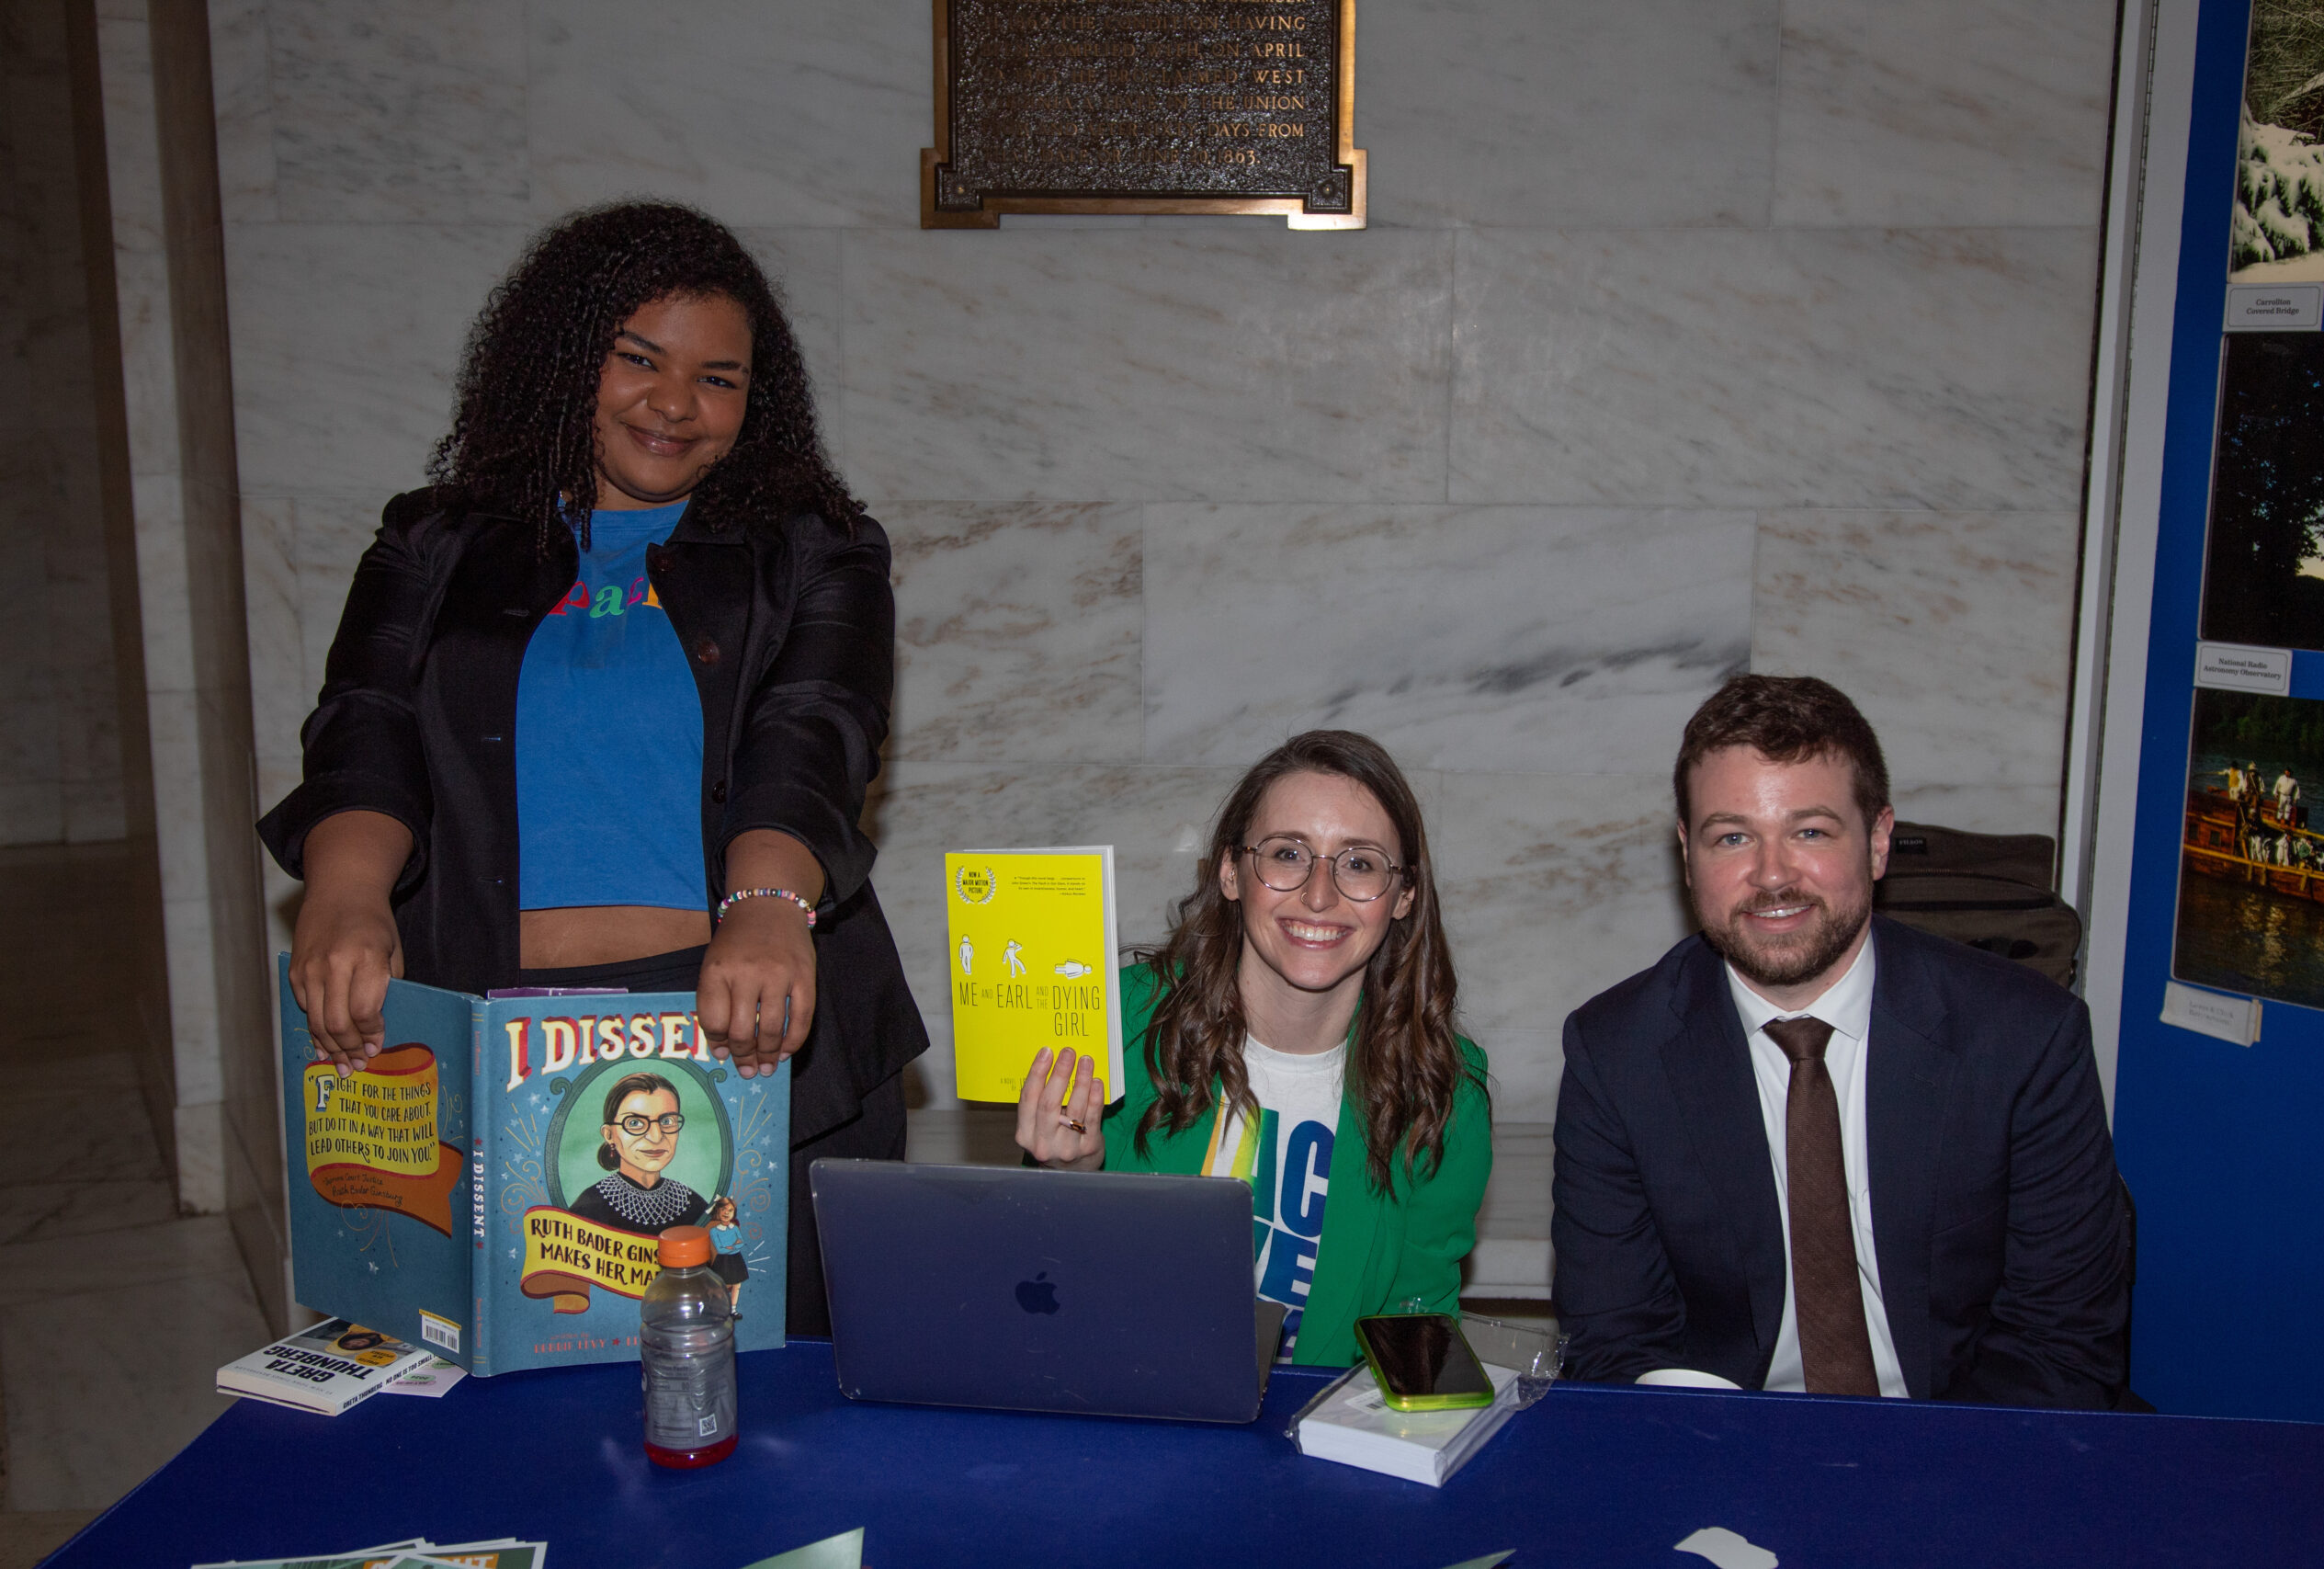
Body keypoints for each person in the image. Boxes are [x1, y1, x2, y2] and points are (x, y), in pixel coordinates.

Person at [256, 201, 927, 1336]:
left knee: (762, 1405)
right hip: (487, 1032)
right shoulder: (432, 539)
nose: (675, 404)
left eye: (718, 378)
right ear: (565, 361)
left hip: (743, 1029)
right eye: (638, 360)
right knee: (503, 1389)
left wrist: (767, 905)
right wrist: (346, 888)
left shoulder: (820, 546)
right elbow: (364, 718)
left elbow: (814, 729)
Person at [1552, 675, 2128, 1408]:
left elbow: (2062, 1345)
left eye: (1811, 831)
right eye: (1733, 836)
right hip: (1731, 1451)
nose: (1772, 874)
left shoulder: (2025, 1037)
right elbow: (1614, 1344)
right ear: (1687, 855)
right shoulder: (1616, 1052)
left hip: (1963, 1445)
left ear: (1879, 841)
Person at [1015, 731, 1491, 1367]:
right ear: (1232, 872)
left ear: (1403, 895)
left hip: (1311, 1437)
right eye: (1289, 853)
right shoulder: (1115, 1023)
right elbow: (1039, 1288)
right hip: (1123, 1405)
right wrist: (1068, 1178)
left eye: (1358, 862)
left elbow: (1419, 1314)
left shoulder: (1444, 1089)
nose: (1319, 895)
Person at [572, 1072, 709, 1235]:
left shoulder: (693, 1204)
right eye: (635, 1123)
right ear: (609, 1135)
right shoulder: (589, 1207)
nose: (656, 1136)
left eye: (667, 1121)